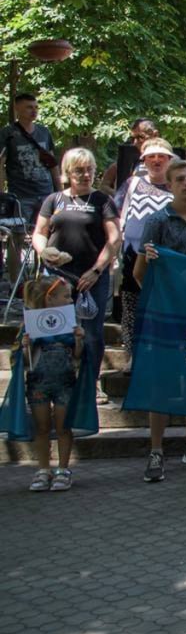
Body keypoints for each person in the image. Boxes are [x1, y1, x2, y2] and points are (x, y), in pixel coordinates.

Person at [136, 159, 186, 482]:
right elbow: (139, 272)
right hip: (166, 314)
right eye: (180, 179)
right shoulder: (156, 221)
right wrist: (162, 294)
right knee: (163, 381)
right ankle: (156, 450)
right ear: (169, 185)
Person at [32, 148, 120, 386]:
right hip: (57, 277)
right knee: (53, 330)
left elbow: (114, 239)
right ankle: (55, 383)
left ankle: (89, 385)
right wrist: (43, 251)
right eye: (79, 170)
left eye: (89, 169)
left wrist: (97, 270)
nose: (85, 175)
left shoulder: (103, 201)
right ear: (68, 172)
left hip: (92, 277)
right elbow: (39, 233)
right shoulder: (54, 200)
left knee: (92, 334)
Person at [18, 276, 86, 491]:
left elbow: (78, 356)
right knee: (42, 427)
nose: (70, 300)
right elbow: (25, 361)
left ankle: (63, 469)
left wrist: (79, 340)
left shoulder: (71, 324)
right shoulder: (30, 325)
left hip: (65, 381)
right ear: (50, 299)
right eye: (66, 296)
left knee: (63, 426)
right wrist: (25, 346)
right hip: (38, 382)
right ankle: (43, 469)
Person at [117, 138, 175, 363]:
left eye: (162, 156)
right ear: (144, 160)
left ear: (170, 160)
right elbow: (118, 214)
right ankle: (132, 355)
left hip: (164, 260)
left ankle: (158, 356)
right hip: (132, 257)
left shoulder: (177, 185)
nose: (156, 160)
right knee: (132, 306)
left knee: (161, 306)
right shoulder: (132, 184)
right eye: (151, 156)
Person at [0, 93, 59, 285]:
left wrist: (59, 191)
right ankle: (16, 284)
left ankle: (43, 280)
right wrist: (2, 194)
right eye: (28, 107)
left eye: (35, 107)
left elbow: (52, 163)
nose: (33, 111)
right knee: (16, 238)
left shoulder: (44, 132)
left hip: (45, 193)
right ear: (17, 109)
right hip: (20, 195)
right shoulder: (8, 133)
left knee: (45, 237)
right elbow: (1, 163)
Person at [100, 118, 155, 195]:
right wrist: (120, 196)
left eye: (140, 137)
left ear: (155, 135)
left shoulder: (167, 162)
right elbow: (104, 186)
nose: (135, 142)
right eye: (133, 138)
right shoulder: (123, 163)